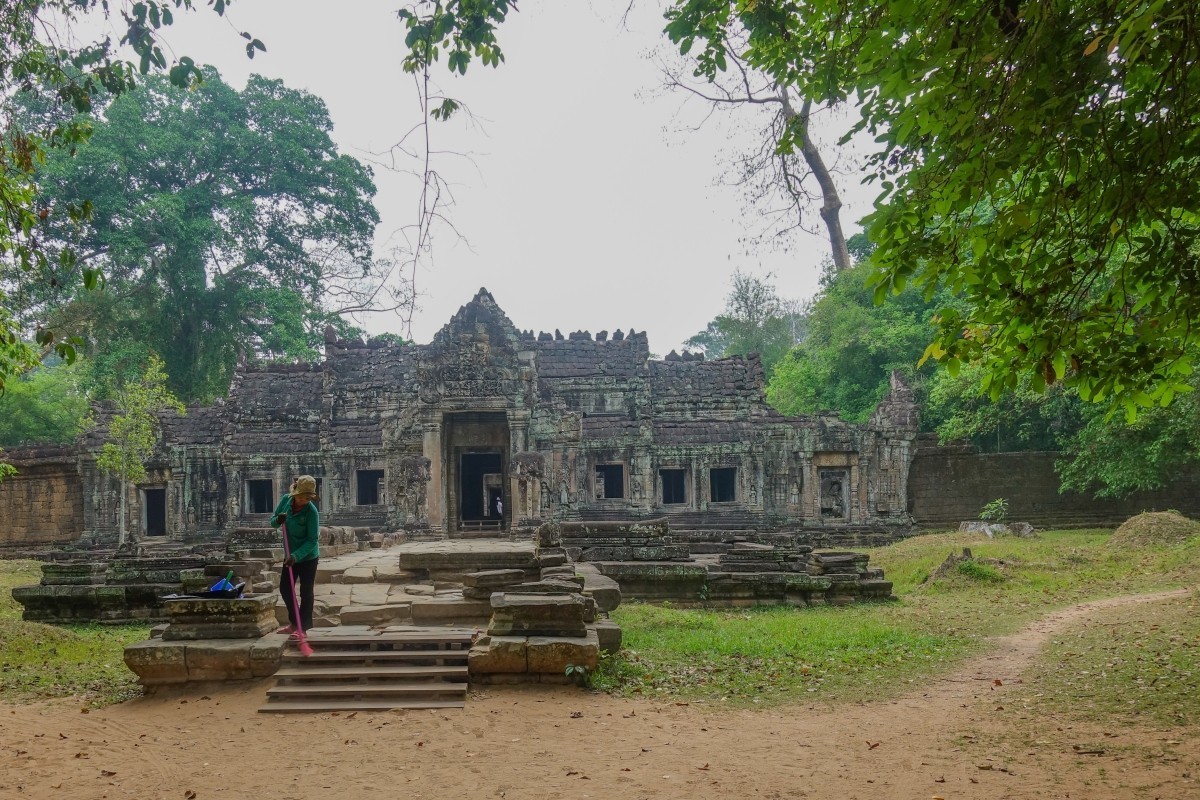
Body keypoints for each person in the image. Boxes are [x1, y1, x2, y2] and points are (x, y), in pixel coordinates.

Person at [271, 475, 320, 635]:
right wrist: (278, 519)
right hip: (289, 554)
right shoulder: (286, 501)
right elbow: (272, 522)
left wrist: (296, 556)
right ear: (295, 494)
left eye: (307, 499)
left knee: (306, 592)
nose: (304, 501)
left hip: (308, 556)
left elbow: (312, 540)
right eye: (301, 498)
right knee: (285, 589)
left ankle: (303, 628)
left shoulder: (311, 511)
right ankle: (295, 623)